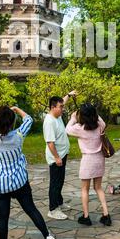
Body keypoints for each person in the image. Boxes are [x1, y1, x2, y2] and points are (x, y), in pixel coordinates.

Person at [0, 106, 56, 239]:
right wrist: (17, 109)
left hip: (1, 184)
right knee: (31, 209)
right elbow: (29, 119)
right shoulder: (18, 136)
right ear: (12, 122)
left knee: (3, 217)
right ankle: (47, 237)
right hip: (19, 181)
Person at [66, 103, 112, 227]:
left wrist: (73, 117)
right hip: (99, 159)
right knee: (98, 188)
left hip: (87, 160)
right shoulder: (100, 125)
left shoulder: (79, 129)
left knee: (84, 189)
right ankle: (106, 215)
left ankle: (86, 216)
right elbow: (100, 119)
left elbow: (67, 129)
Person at [43, 91, 77, 220]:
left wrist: (69, 95)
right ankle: (53, 209)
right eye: (61, 107)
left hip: (63, 154)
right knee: (55, 183)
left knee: (60, 180)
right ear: (53, 107)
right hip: (56, 157)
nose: (63, 109)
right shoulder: (49, 121)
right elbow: (50, 142)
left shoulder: (57, 116)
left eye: (63, 106)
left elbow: (62, 101)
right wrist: (57, 157)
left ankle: (59, 202)